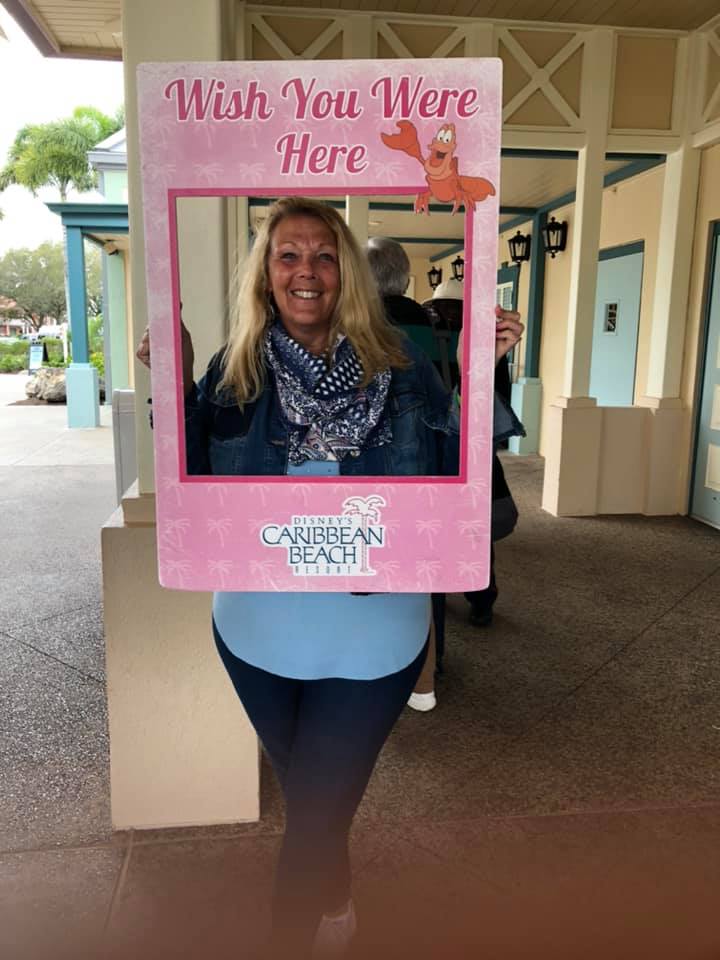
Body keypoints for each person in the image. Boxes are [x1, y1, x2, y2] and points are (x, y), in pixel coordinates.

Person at [137, 197, 523, 958]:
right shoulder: (235, 367)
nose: (305, 271)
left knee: (311, 812)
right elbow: (189, 472)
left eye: (322, 255)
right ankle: (337, 896)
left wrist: (487, 371)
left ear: (345, 270)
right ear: (267, 273)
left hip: (373, 635)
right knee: (320, 805)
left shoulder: (407, 374)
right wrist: (173, 379)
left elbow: (463, 474)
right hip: (254, 630)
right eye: (288, 255)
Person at [423, 279, 518, 629]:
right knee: (476, 527)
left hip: (428, 445)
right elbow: (501, 393)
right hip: (470, 437)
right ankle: (481, 599)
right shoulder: (484, 332)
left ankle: (439, 595)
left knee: (431, 528)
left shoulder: (412, 331)